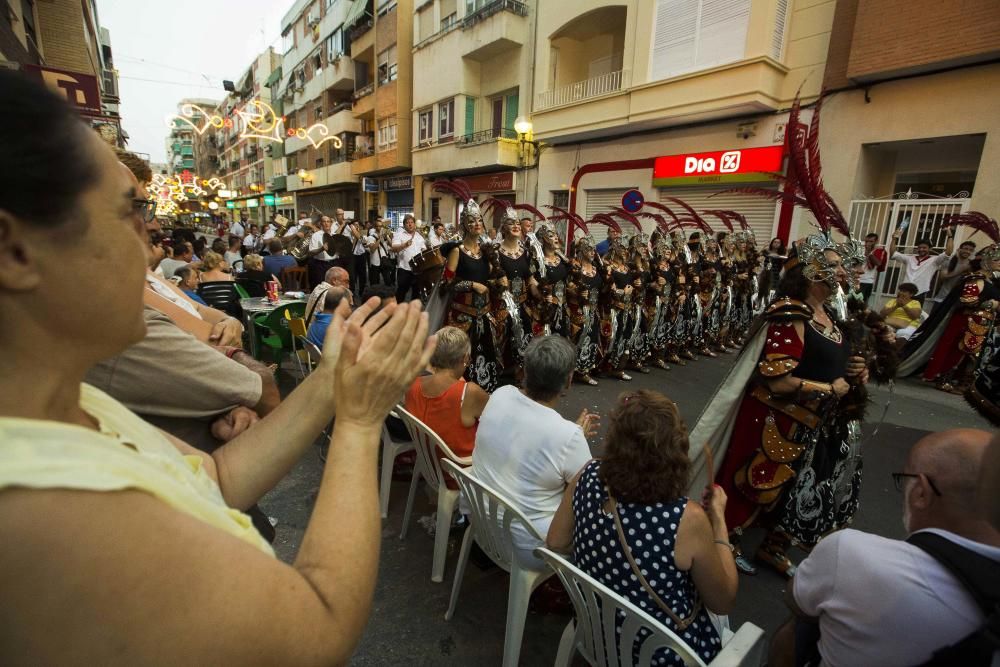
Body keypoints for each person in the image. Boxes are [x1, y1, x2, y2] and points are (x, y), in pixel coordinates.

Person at [0, 71, 437, 664]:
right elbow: (319, 627)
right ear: (14, 250)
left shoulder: (63, 405)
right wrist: (359, 424)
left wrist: (333, 380)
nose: (153, 242)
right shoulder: (42, 512)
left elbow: (216, 480)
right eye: (129, 213)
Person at [688, 97, 871, 577]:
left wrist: (858, 371)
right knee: (755, 481)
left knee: (803, 488)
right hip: (777, 415)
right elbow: (776, 379)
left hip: (821, 422)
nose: (842, 274)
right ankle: (723, 541)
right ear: (812, 271)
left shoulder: (836, 314)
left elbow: (843, 357)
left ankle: (773, 544)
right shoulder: (789, 312)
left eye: (844, 267)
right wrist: (824, 388)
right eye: (833, 267)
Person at [769, 429, 1000, 667]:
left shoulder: (850, 552)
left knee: (803, 625)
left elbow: (796, 600)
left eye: (904, 479)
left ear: (921, 492)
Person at [547, 390, 737, 666]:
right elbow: (722, 601)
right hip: (658, 655)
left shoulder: (587, 475)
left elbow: (555, 542)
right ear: (675, 454)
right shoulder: (687, 519)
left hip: (595, 632)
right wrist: (719, 522)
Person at [472, 336, 599, 567]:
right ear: (569, 381)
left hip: (479, 520)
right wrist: (575, 436)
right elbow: (587, 496)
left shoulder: (501, 393)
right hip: (528, 548)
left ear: (524, 372)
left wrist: (573, 435)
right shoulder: (568, 436)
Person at [435, 181, 500, 393]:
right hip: (462, 316)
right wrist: (472, 284)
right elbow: (447, 283)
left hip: (485, 313)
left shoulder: (486, 250)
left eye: (479, 220)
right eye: (471, 221)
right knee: (460, 356)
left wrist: (496, 281)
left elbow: (491, 277)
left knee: (486, 353)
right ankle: (458, 393)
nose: (477, 224)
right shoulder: (457, 250)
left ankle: (482, 392)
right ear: (464, 225)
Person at [404, 326, 489, 461]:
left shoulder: (413, 385)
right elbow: (499, 420)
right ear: (465, 358)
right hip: (464, 473)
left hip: (431, 466)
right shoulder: (469, 392)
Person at [888, 228, 955, 303]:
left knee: (914, 313)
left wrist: (950, 236)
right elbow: (893, 253)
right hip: (904, 291)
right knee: (898, 312)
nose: (921, 249)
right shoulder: (909, 258)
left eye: (924, 248)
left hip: (920, 292)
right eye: (919, 247)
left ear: (930, 249)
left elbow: (948, 252)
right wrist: (894, 239)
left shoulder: (934, 260)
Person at [928, 239, 977, 315]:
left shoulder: (971, 265)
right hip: (942, 299)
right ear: (959, 249)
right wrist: (961, 270)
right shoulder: (950, 261)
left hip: (957, 303)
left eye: (970, 250)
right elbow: (943, 277)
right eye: (965, 249)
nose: (967, 251)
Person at [392, 213, 428, 303]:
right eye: (407, 223)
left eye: (412, 222)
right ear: (404, 225)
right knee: (401, 292)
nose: (410, 224)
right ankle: (396, 311)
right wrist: (404, 245)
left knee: (416, 293)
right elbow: (394, 248)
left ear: (415, 224)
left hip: (417, 269)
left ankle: (412, 311)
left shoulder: (419, 236)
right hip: (404, 268)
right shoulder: (399, 235)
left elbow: (424, 250)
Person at [306, 215, 336, 289]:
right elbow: (310, 253)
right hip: (320, 265)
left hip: (333, 264)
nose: (326, 223)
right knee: (320, 288)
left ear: (331, 223)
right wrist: (321, 249)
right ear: (321, 224)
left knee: (333, 287)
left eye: (328, 221)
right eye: (324, 221)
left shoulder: (335, 236)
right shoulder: (316, 235)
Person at [857, 232, 887, 303]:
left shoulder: (879, 251)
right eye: (867, 241)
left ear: (876, 242)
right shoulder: (860, 250)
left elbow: (878, 263)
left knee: (862, 303)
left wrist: (869, 254)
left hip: (866, 281)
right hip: (856, 279)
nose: (868, 243)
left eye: (871, 241)